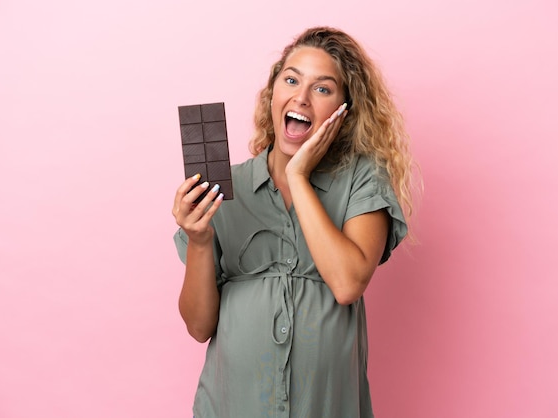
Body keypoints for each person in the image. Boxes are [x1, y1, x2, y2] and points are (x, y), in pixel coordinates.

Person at [172, 26, 416, 418]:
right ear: (273, 93)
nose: (301, 97)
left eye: (322, 88)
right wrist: (199, 239)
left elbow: (348, 283)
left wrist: (299, 178)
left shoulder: (362, 181)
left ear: (344, 109)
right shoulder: (224, 189)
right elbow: (199, 327)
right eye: (291, 79)